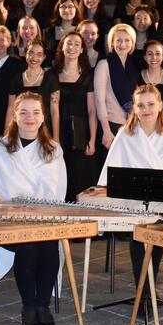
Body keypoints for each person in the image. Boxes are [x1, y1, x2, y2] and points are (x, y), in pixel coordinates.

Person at [0, 92, 66, 325]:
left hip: (42, 221)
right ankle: (28, 305)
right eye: (23, 112)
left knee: (47, 241)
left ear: (43, 117)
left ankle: (42, 305)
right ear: (15, 116)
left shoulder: (53, 150)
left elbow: (57, 191)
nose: (29, 117)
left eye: (35, 112)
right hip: (9, 224)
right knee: (28, 242)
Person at [99, 83, 163, 291]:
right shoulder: (125, 135)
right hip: (132, 203)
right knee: (139, 227)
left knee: (156, 225)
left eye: (151, 104)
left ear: (160, 106)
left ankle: (147, 286)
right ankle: (143, 287)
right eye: (141, 105)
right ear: (134, 108)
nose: (146, 110)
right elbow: (112, 174)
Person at [54, 32, 97, 201]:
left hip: (80, 132)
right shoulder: (52, 74)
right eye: (68, 43)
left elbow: (92, 110)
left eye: (76, 44)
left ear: (81, 50)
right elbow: (52, 107)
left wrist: (92, 139)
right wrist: (54, 138)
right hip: (59, 132)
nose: (72, 47)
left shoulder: (88, 75)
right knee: (60, 176)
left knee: (79, 177)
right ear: (62, 47)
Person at [94, 23, 138, 152]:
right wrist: (106, 130)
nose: (122, 44)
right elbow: (99, 101)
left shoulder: (133, 67)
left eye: (126, 40)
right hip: (110, 126)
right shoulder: (104, 64)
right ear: (112, 43)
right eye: (118, 40)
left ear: (132, 43)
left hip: (131, 125)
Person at [6, 39, 59, 140]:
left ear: (44, 58)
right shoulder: (16, 79)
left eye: (39, 54)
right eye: (31, 53)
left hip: (45, 132)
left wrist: (56, 138)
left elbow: (54, 110)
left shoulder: (51, 79)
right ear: (25, 54)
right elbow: (11, 109)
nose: (34, 58)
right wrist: (7, 134)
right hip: (20, 131)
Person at [137, 40, 163, 105]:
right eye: (150, 54)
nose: (154, 57)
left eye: (157, 53)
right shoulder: (137, 76)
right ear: (145, 57)